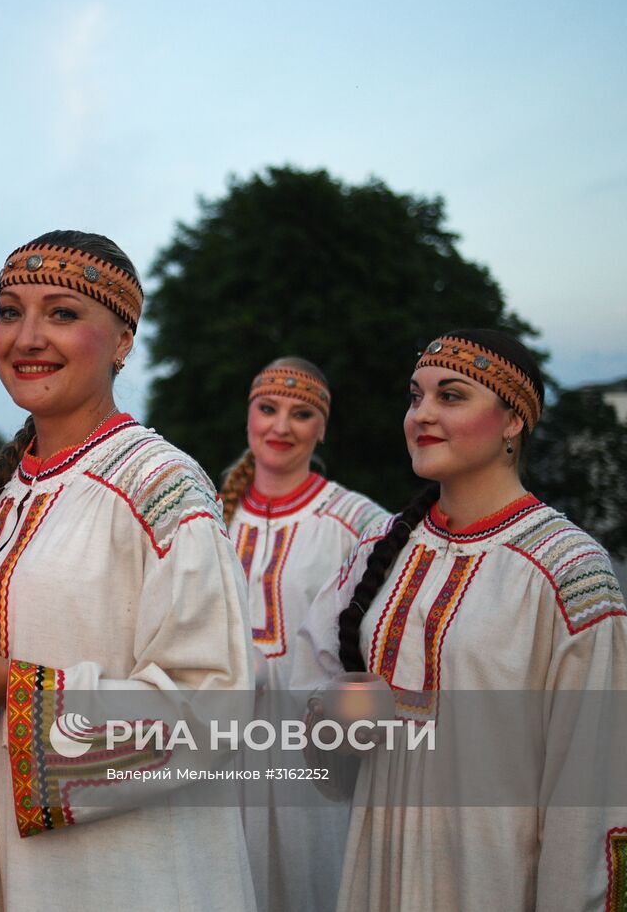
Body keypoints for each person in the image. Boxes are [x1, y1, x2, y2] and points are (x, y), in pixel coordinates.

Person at [0, 230, 256, 911]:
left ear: (121, 342)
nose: (26, 337)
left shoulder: (161, 486)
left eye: (61, 313)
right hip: (3, 852)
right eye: (8, 311)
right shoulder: (10, 496)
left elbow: (215, 705)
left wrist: (11, 690)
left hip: (121, 876)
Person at [295, 329, 627, 911]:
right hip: (377, 868)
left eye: (452, 396)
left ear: (513, 421)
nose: (423, 415)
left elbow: (596, 784)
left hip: (496, 875)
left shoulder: (568, 569)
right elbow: (317, 714)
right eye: (416, 396)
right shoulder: (376, 551)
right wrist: (332, 718)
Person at [219, 358, 385, 910]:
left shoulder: (359, 523)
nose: (280, 427)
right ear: (249, 415)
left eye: (302, 413)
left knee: (315, 882)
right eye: (268, 409)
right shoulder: (210, 520)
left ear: (322, 427)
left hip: (310, 753)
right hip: (219, 750)